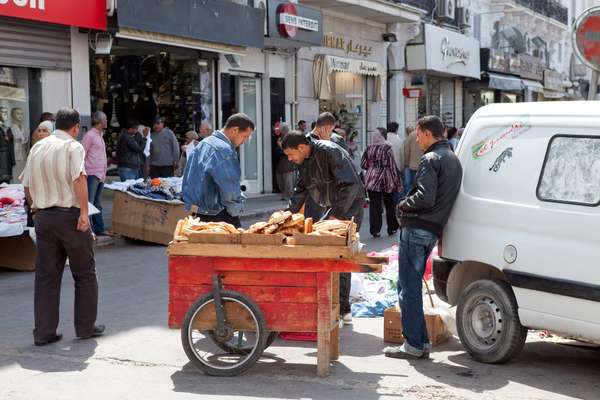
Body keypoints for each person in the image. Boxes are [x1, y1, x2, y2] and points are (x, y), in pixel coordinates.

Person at [20, 107, 104, 346]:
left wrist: (35, 208)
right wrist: (85, 213)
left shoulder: (38, 146)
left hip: (44, 217)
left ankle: (44, 332)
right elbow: (79, 178)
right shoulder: (73, 146)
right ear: (76, 127)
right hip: (70, 217)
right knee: (85, 273)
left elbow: (26, 184)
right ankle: (86, 327)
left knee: (46, 277)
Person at [384, 115, 462, 359]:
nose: (417, 140)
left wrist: (403, 204)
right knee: (412, 286)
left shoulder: (430, 159)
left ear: (428, 133)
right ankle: (419, 342)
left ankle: (415, 344)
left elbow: (425, 197)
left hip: (418, 227)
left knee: (408, 288)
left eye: (418, 135)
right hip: (432, 229)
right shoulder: (453, 159)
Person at [283, 131, 365, 324]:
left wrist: (336, 214)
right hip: (333, 206)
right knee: (328, 255)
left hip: (350, 205)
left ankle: (343, 309)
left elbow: (351, 185)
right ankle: (330, 304)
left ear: (301, 148)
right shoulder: (304, 161)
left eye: (290, 154)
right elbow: (300, 190)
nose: (290, 159)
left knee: (341, 255)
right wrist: (286, 215)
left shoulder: (329, 151)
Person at [182, 113, 255, 228]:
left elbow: (187, 178)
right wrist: (236, 207)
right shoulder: (223, 150)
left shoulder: (203, 143)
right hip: (220, 214)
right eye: (245, 136)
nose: (244, 141)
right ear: (235, 130)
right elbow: (229, 188)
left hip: (199, 213)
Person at [361, 128, 402, 238]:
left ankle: (375, 230)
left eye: (375, 135)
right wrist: (397, 181)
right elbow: (392, 166)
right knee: (390, 204)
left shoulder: (369, 148)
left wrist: (372, 168)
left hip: (372, 179)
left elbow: (363, 164)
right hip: (387, 179)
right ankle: (392, 228)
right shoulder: (388, 148)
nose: (374, 137)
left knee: (374, 206)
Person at [82, 111, 108, 235]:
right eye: (105, 119)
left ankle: (99, 228)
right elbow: (82, 153)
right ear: (100, 121)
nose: (107, 122)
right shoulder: (90, 135)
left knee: (97, 202)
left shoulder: (100, 135)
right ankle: (89, 229)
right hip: (92, 173)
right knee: (90, 203)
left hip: (100, 174)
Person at [275, 123, 295, 201]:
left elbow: (289, 150)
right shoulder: (281, 138)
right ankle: (284, 194)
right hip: (281, 160)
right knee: (279, 176)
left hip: (288, 160)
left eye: (282, 129)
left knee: (287, 178)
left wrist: (280, 145)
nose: (281, 131)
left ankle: (288, 196)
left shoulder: (290, 138)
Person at [403, 126, 422, 196]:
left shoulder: (411, 136)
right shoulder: (426, 134)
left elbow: (406, 151)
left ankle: (409, 199)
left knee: (410, 184)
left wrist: (406, 163)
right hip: (423, 164)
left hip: (412, 164)